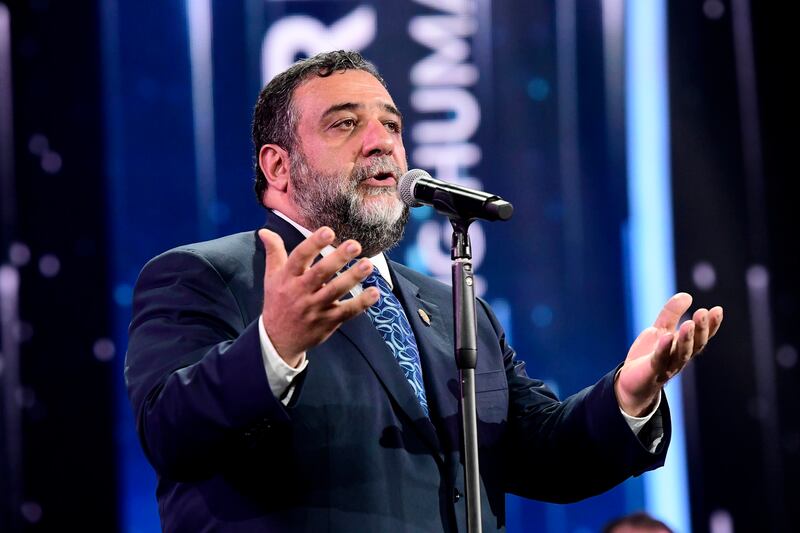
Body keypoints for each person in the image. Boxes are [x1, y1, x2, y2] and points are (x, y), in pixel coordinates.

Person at [125, 50, 723, 532]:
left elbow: (541, 454)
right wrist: (273, 348)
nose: (379, 140)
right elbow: (171, 434)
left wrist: (626, 396)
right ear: (278, 167)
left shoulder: (453, 306)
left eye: (391, 125)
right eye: (344, 123)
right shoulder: (204, 276)